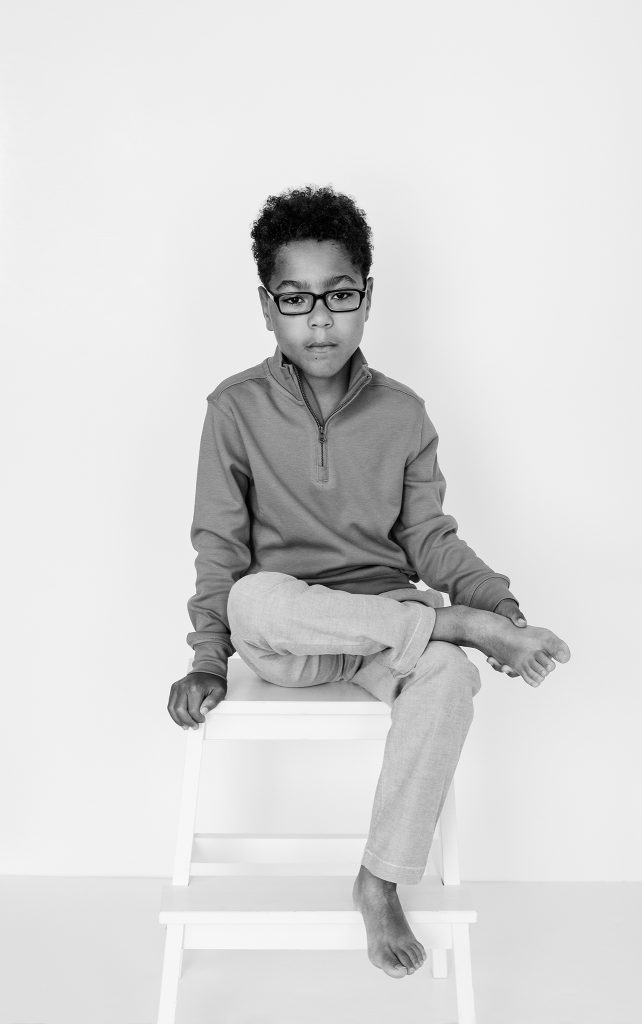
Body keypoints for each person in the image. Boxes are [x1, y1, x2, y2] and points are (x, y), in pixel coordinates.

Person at [167, 183, 571, 979]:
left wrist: (499, 609)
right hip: (287, 636)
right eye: (296, 299)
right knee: (255, 592)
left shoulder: (404, 415)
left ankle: (379, 878)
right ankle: (450, 628)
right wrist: (208, 659)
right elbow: (220, 547)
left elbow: (430, 540)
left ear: (367, 298)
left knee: (448, 677)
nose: (319, 318)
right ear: (266, 306)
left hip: (387, 629)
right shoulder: (234, 408)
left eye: (339, 295)